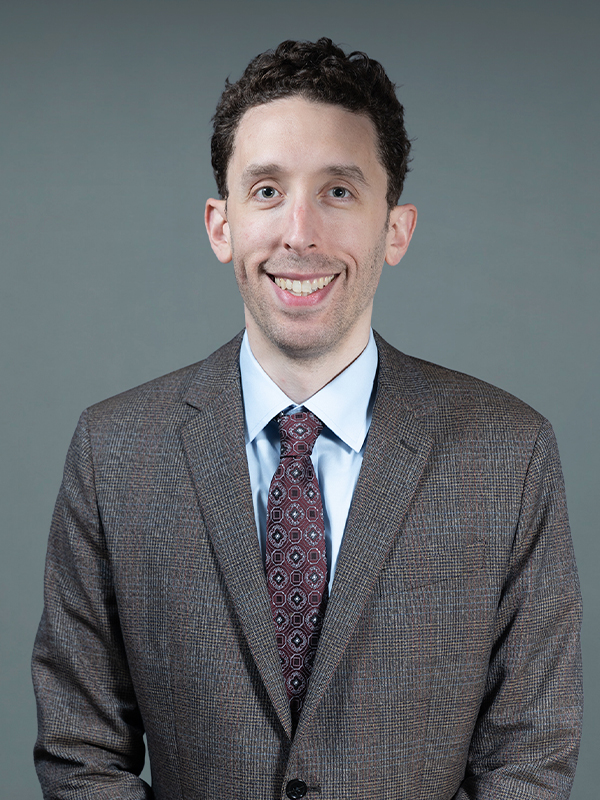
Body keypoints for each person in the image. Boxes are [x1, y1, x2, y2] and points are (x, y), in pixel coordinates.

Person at [32, 38, 583, 800]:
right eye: (266, 190)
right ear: (220, 224)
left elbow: (531, 756)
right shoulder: (113, 452)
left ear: (396, 228)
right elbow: (79, 752)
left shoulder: (510, 455)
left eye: (338, 192)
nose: (299, 233)